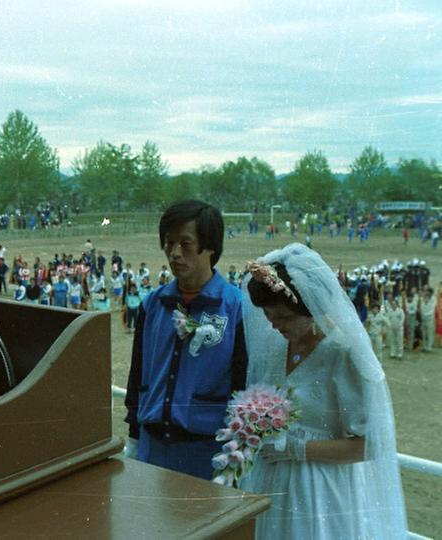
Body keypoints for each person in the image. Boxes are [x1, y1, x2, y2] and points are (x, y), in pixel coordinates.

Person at [241, 243, 406, 539]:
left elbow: (369, 444)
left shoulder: (342, 354)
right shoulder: (275, 345)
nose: (275, 325)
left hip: (319, 490)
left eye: (284, 317)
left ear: (311, 307)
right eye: (268, 315)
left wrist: (297, 448)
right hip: (271, 480)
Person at [124, 200, 247, 479]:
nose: (174, 253)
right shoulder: (153, 305)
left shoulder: (235, 308)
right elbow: (137, 376)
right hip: (151, 448)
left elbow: (242, 383)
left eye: (185, 243)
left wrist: (233, 453)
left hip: (206, 453)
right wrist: (133, 435)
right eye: (168, 243)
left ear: (210, 246)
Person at [384, 294, 405, 360]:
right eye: (392, 304)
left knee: (399, 341)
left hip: (399, 328)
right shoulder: (390, 311)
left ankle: (400, 354)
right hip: (392, 328)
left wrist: (400, 325)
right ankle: (392, 353)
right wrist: (389, 325)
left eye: (395, 304)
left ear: (397, 304)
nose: (393, 305)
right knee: (392, 340)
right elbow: (387, 318)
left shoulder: (400, 311)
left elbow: (402, 318)